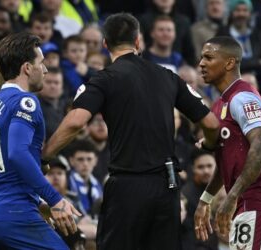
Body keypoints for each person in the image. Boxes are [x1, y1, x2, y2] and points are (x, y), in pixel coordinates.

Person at [43, 13, 219, 250]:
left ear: (105, 44)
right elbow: (210, 122)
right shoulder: (168, 76)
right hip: (166, 188)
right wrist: (208, 144)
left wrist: (44, 156)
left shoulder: (103, 79)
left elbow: (75, 122)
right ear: (138, 41)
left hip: (127, 187)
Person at [0, 32, 81, 249]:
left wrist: (38, 202)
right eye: (41, 63)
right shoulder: (25, 101)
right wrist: (55, 200)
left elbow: (5, 173)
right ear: (27, 68)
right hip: (14, 215)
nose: (46, 70)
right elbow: (17, 153)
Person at [194, 36, 261, 250]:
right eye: (201, 58)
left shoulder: (243, 98)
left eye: (209, 57)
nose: (201, 63)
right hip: (248, 203)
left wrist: (232, 195)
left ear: (229, 63)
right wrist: (206, 198)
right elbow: (228, 162)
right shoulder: (220, 104)